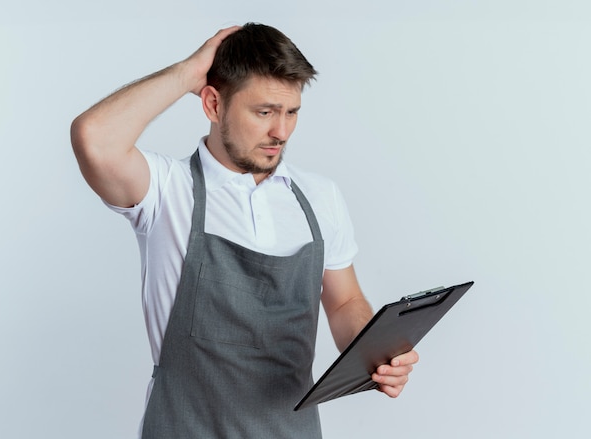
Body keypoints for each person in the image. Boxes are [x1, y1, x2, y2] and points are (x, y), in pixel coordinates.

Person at [71, 23, 419, 438]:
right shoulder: (165, 190)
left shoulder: (320, 197)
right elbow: (94, 137)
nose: (282, 132)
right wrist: (186, 73)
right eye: (264, 112)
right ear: (213, 104)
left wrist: (377, 353)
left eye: (291, 112)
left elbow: (344, 303)